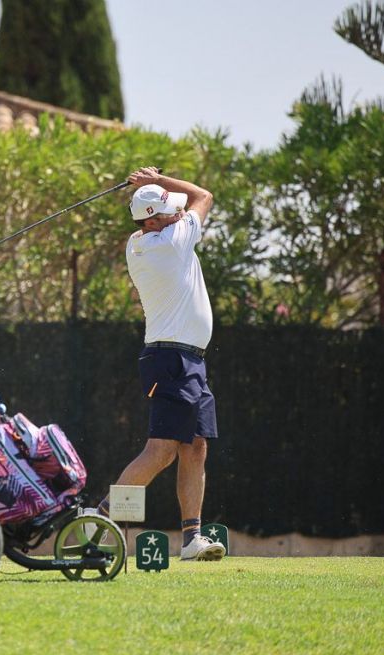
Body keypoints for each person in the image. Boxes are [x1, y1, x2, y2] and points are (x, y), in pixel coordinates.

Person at [95, 166, 226, 562]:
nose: (176, 212)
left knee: (195, 447)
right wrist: (159, 179)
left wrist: (150, 189)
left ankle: (192, 539)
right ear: (153, 219)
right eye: (168, 209)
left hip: (187, 360)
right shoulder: (171, 241)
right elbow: (204, 195)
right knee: (161, 452)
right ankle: (102, 519)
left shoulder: (141, 241)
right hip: (171, 359)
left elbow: (183, 206)